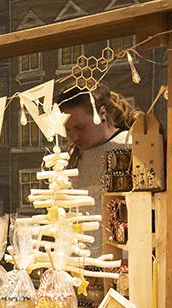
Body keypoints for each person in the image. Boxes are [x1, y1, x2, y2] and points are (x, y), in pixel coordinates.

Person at [56, 83, 141, 253]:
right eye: (68, 129)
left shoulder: (132, 146)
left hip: (123, 257)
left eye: (80, 127)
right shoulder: (73, 155)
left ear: (102, 114)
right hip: (79, 258)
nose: (73, 137)